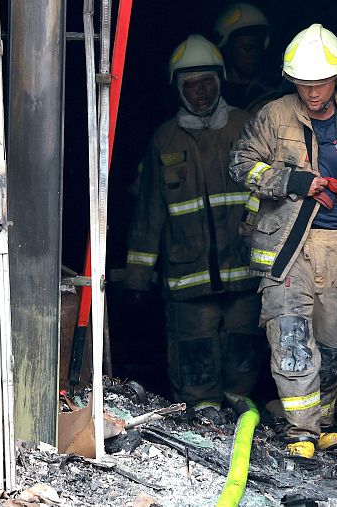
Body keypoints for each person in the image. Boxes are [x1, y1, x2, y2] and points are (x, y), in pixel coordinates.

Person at [228, 23, 337, 459]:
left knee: (332, 342)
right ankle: (301, 430)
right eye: (303, 83)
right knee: (290, 333)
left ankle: (322, 420)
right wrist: (291, 181)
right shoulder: (273, 117)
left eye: (321, 82)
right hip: (288, 248)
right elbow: (240, 164)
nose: (312, 92)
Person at [124, 34, 262, 421]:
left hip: (244, 268)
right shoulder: (165, 138)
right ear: (178, 89)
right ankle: (202, 415)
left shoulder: (247, 127)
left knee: (244, 342)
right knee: (194, 346)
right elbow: (149, 211)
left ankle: (240, 407)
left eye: (206, 83)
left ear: (220, 82)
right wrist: (137, 277)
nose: (200, 93)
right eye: (191, 85)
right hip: (189, 274)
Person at [212, 2, 278, 111]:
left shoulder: (271, 91)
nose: (254, 54)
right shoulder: (211, 94)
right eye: (247, 48)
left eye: (258, 48)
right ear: (228, 49)